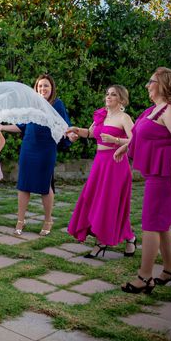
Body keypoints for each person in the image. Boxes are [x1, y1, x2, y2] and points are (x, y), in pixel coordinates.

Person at [118, 68, 171, 294]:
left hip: (166, 172)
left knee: (150, 223)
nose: (147, 85)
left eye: (151, 81)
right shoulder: (154, 109)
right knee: (161, 224)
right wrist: (125, 146)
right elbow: (139, 135)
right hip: (158, 172)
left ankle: (145, 277)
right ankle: (170, 270)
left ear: (162, 83)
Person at [0, 74, 72, 236]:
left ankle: (48, 220)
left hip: (46, 149)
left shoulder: (57, 104)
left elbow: (64, 126)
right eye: (40, 86)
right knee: (24, 185)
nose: (43, 89)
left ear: (52, 89)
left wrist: (70, 134)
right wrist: (2, 127)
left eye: (46, 86)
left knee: (45, 186)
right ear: (36, 88)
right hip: (28, 147)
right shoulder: (31, 104)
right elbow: (22, 126)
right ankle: (20, 220)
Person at [66, 85, 137, 257]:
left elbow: (135, 140)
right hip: (100, 163)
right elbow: (90, 133)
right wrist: (76, 130)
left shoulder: (124, 118)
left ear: (121, 99)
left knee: (109, 203)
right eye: (107, 93)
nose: (109, 97)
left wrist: (116, 140)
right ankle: (130, 237)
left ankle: (101, 243)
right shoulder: (101, 115)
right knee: (93, 200)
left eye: (113, 94)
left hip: (116, 164)